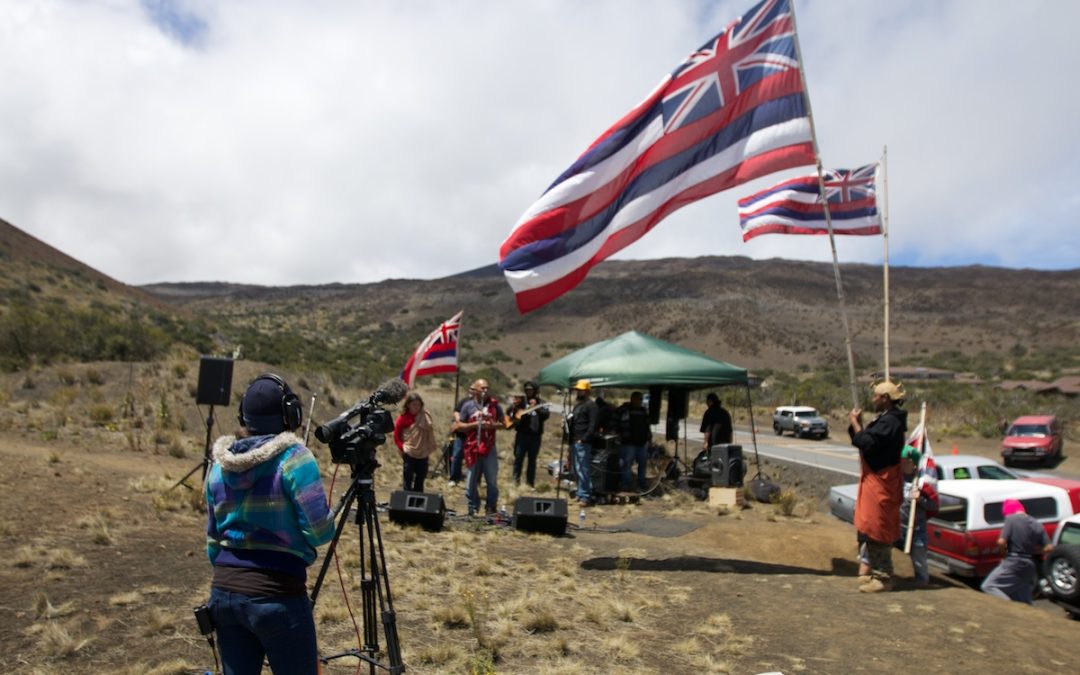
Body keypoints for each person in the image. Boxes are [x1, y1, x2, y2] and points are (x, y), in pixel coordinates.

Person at [205, 374, 334, 674]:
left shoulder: (217, 467)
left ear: (243, 416)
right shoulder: (295, 458)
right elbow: (319, 532)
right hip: (277, 595)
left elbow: (213, 541)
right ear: (291, 415)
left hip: (223, 595)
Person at [848, 380, 908, 593]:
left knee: (878, 527)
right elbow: (866, 440)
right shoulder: (886, 420)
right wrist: (858, 426)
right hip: (875, 480)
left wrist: (856, 424)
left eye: (876, 396)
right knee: (870, 525)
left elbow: (867, 443)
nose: (873, 399)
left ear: (885, 399)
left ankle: (883, 577)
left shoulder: (890, 423)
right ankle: (876, 572)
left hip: (882, 482)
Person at [980, 499, 1052, 604]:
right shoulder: (1037, 524)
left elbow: (1001, 542)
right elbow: (1049, 548)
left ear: (1008, 511)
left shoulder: (1011, 519)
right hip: (1029, 564)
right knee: (1023, 598)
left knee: (988, 586)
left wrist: (1003, 554)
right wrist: (1034, 551)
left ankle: (1009, 608)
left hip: (1013, 560)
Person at [455, 379, 504, 516]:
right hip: (473, 447)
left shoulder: (495, 406)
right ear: (475, 390)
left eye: (487, 388)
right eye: (482, 388)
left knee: (491, 479)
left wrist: (492, 425)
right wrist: (474, 425)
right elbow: (460, 426)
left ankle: (491, 507)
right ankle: (472, 507)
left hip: (489, 447)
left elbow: (504, 423)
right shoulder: (468, 406)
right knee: (471, 480)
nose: (485, 391)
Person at [898, 445, 938, 587]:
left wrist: (920, 499)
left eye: (905, 461)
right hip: (897, 527)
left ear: (912, 463)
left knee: (919, 562)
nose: (901, 463)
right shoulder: (898, 479)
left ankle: (921, 582)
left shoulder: (921, 481)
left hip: (916, 530)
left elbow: (934, 507)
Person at [393, 392, 437, 493]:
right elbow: (396, 435)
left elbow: (429, 430)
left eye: (418, 404)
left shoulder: (424, 417)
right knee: (408, 478)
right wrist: (402, 447)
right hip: (409, 452)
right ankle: (406, 501)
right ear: (408, 405)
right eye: (414, 404)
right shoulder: (403, 418)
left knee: (420, 478)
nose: (416, 407)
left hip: (423, 452)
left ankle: (417, 501)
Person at [508, 381, 549, 488]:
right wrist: (516, 406)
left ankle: (530, 483)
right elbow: (509, 412)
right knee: (518, 458)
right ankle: (515, 481)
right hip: (522, 435)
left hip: (535, 436)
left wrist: (536, 407)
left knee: (532, 460)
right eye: (527, 390)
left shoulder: (541, 402)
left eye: (531, 390)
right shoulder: (521, 401)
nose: (529, 392)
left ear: (535, 391)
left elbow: (546, 415)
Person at [570, 379, 599, 506]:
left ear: (587, 391)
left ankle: (585, 496)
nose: (578, 392)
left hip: (582, 442)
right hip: (574, 440)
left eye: (580, 390)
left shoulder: (591, 405)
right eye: (577, 390)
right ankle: (580, 493)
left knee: (583, 468)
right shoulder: (578, 405)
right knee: (576, 469)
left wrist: (584, 438)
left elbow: (593, 425)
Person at [615, 391, 652, 491]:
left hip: (642, 443)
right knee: (627, 463)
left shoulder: (643, 411)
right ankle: (626, 484)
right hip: (628, 443)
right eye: (638, 399)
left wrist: (649, 438)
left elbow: (647, 426)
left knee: (643, 463)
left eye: (641, 399)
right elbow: (616, 421)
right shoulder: (624, 410)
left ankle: (641, 482)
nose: (639, 401)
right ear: (632, 399)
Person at [447, 391, 471, 488]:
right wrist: (458, 419)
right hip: (461, 435)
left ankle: (473, 481)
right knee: (456, 456)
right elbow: (456, 410)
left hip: (474, 435)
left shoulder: (482, 404)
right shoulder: (464, 401)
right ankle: (454, 478)